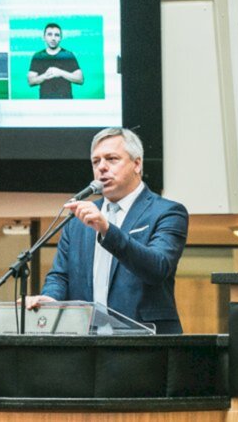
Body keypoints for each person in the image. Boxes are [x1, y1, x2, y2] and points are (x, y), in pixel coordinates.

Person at [25, 127, 189, 333]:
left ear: (137, 164)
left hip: (147, 341)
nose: (102, 167)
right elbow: (61, 276)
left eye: (111, 159)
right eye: (96, 161)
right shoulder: (79, 220)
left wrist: (107, 230)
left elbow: (158, 267)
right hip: (87, 341)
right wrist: (50, 299)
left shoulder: (167, 212)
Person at [27, 23, 83, 99]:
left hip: (66, 103)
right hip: (45, 103)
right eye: (49, 34)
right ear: (44, 37)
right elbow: (30, 81)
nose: (53, 38)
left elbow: (80, 79)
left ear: (60, 38)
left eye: (56, 35)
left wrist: (60, 73)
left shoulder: (68, 55)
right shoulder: (38, 56)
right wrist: (45, 76)